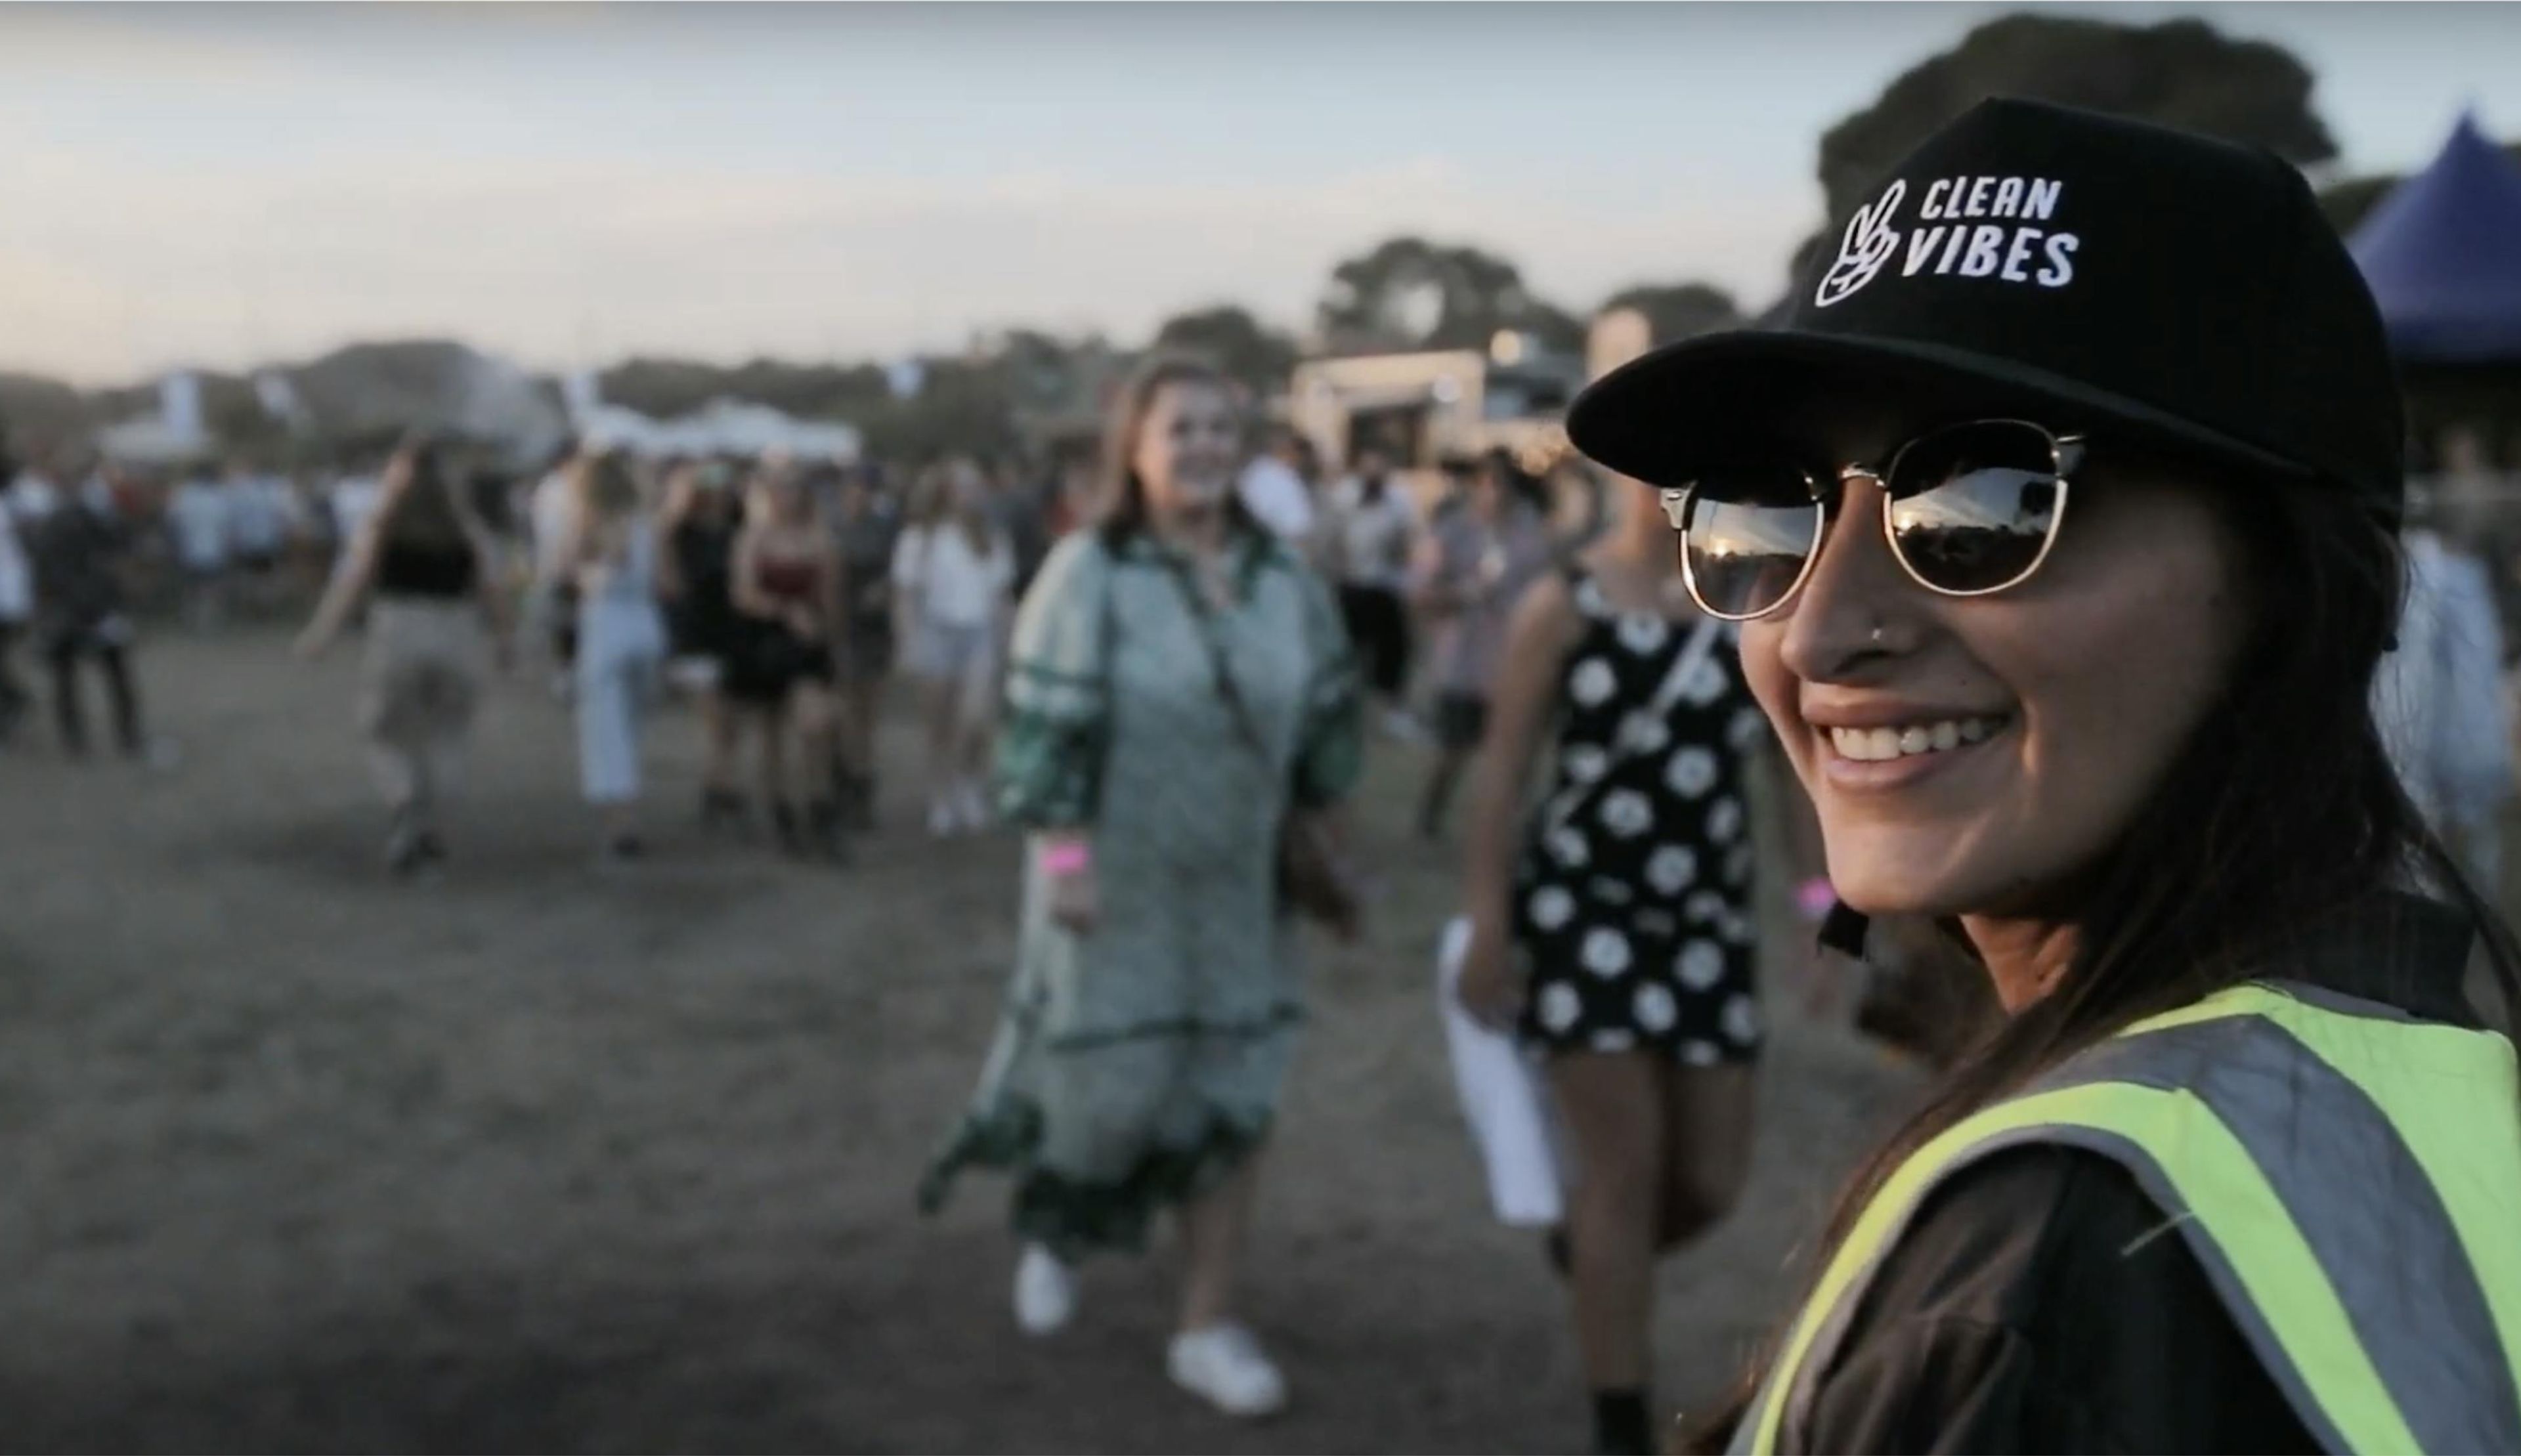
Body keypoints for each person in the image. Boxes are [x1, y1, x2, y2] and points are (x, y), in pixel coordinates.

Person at [1565, 98, 2521, 1455]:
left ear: (2292, 583)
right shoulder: (2432, 1040)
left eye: (1984, 501)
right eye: (1762, 510)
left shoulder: (2049, 1279)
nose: (1819, 627)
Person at [918, 356, 1363, 1419]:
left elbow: (1328, 724)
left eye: (1222, 425)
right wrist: (1067, 864)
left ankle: (1206, 1322)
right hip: (1110, 885)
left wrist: (1326, 845)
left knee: (1232, 1095)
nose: (1204, 444)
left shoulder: (1281, 578)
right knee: (1103, 1093)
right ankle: (1054, 1218)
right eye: (1182, 428)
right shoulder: (1089, 571)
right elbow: (1044, 734)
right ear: (1137, 447)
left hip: (1237, 893)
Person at [1454, 454, 1763, 1456]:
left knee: (1710, 1181)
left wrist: (1821, 900)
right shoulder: (1564, 600)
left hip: (1709, 921)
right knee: (1621, 1174)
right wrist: (1491, 923)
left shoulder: (1749, 597)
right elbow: (1501, 777)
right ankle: (1620, 1421)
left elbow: (1788, 763)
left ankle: (1592, 1258)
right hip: (1585, 912)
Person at [296, 435, 511, 874]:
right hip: (458, 631)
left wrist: (321, 634)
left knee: (387, 731)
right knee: (448, 731)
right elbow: (493, 590)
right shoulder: (466, 529)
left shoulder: (382, 525)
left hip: (399, 630)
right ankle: (431, 820)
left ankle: (405, 803)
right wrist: (507, 642)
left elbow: (352, 584)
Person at [1413, 450, 1559, 839]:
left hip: (1512, 666)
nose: (1494, 491)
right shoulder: (1453, 531)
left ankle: (1508, 827)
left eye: (1502, 482)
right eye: (1486, 481)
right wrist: (1461, 595)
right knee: (1453, 751)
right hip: (1463, 663)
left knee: (1512, 755)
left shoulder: (1530, 535)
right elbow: (1421, 595)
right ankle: (1431, 815)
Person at [725, 461, 848, 859]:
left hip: (809, 642)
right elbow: (743, 592)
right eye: (780, 489)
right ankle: (781, 811)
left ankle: (820, 805)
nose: (787, 497)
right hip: (767, 639)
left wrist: (831, 640)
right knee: (771, 732)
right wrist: (782, 609)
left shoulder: (818, 538)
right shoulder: (754, 538)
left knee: (815, 726)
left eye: (793, 488)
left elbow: (831, 596)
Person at [894, 460, 1017, 836]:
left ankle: (969, 783)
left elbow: (1001, 595)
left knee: (975, 719)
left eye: (975, 486)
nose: (970, 493)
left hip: (978, 633)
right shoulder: (921, 538)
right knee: (939, 724)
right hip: (936, 633)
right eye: (962, 486)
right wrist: (906, 640)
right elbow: (905, 593)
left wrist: (1009, 640)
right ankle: (941, 795)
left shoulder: (991, 538)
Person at [562, 450, 670, 862]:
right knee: (631, 724)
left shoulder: (589, 521)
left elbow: (567, 567)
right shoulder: (646, 522)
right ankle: (626, 812)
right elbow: (662, 578)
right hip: (645, 622)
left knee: (604, 728)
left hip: (606, 622)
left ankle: (620, 821)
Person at [26, 456, 156, 763]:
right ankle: (120, 736)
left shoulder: (68, 519)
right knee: (102, 676)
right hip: (85, 609)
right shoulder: (84, 520)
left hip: (76, 608)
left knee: (75, 679)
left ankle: (83, 740)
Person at [658, 459, 748, 830]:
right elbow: (669, 580)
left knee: (731, 720)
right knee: (715, 719)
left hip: (733, 633)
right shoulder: (681, 533)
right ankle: (721, 786)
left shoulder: (739, 529)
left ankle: (719, 785)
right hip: (698, 634)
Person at [1325, 448, 1422, 739]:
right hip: (1352, 586)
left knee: (1393, 652)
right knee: (1347, 653)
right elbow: (1334, 539)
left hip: (1385, 587)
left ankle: (1392, 713)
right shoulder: (1343, 496)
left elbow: (1408, 542)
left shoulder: (1399, 500)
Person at [831, 467, 901, 830]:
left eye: (862, 489)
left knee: (867, 716)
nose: (856, 495)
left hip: (872, 629)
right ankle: (843, 782)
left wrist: (885, 591)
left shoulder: (884, 530)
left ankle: (862, 791)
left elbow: (898, 571)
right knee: (843, 714)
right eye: (851, 488)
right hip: (839, 626)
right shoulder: (832, 526)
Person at [165, 465, 232, 630]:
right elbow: (226, 526)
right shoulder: (220, 497)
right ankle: (207, 621)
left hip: (188, 549)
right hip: (213, 549)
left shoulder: (184, 496)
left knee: (190, 588)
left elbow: (173, 521)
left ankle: (190, 618)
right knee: (211, 588)